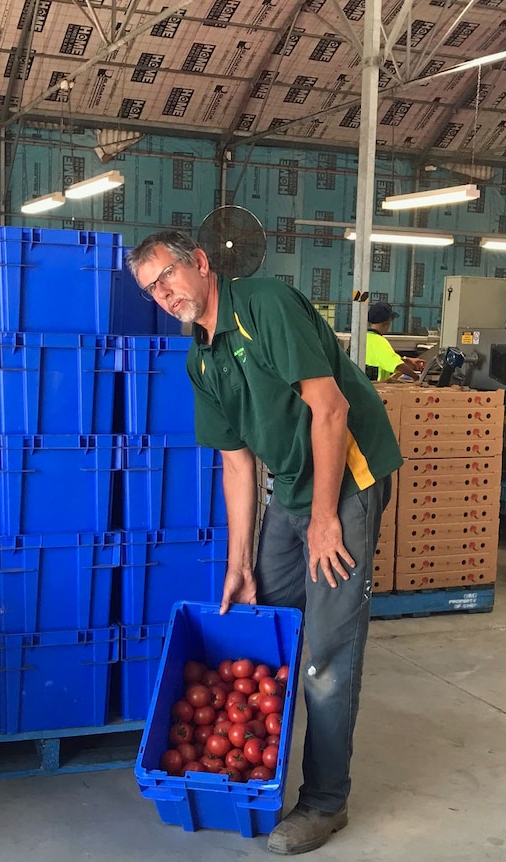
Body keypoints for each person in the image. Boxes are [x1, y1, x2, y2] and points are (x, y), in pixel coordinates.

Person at [126, 231, 402, 855]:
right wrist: (239, 562)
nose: (163, 295)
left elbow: (329, 411)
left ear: (199, 263)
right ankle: (264, 768)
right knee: (269, 620)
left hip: (349, 478)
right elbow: (236, 463)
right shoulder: (200, 358)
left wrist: (326, 519)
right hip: (294, 485)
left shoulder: (264, 305)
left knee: (326, 654)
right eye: (150, 290)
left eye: (166, 277)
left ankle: (327, 801)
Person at [365, 301, 426, 381]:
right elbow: (398, 366)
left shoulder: (364, 338)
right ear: (387, 322)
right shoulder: (379, 342)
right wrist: (417, 378)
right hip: (374, 389)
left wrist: (405, 360)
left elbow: (383, 359)